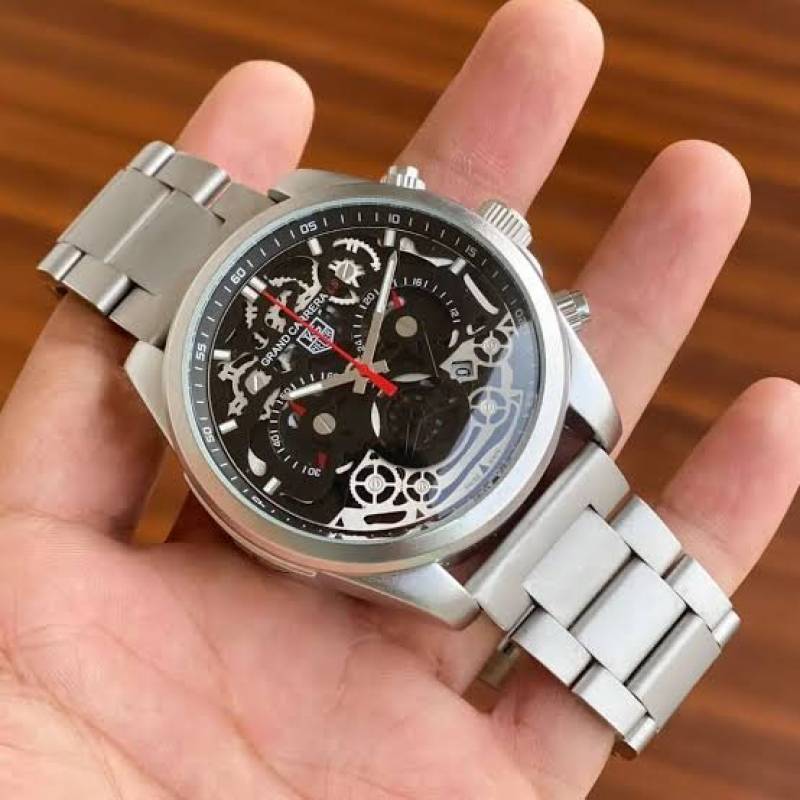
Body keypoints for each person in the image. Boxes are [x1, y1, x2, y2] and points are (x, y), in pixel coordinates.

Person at [1, 1, 798, 797]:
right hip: (434, 523)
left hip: (525, 438)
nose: (365, 375)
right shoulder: (165, 374)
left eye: (398, 320)